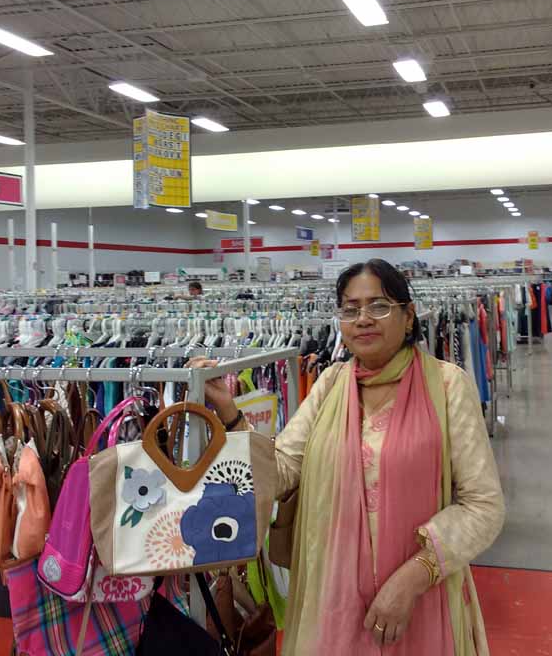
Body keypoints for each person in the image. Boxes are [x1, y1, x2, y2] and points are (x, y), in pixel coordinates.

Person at [192, 258, 504, 654]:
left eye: (379, 306)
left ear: (408, 316)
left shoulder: (446, 386)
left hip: (421, 600)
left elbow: (483, 506)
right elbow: (282, 471)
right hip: (334, 597)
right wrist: (229, 412)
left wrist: (415, 576)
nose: (363, 319)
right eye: (351, 309)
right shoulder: (330, 384)